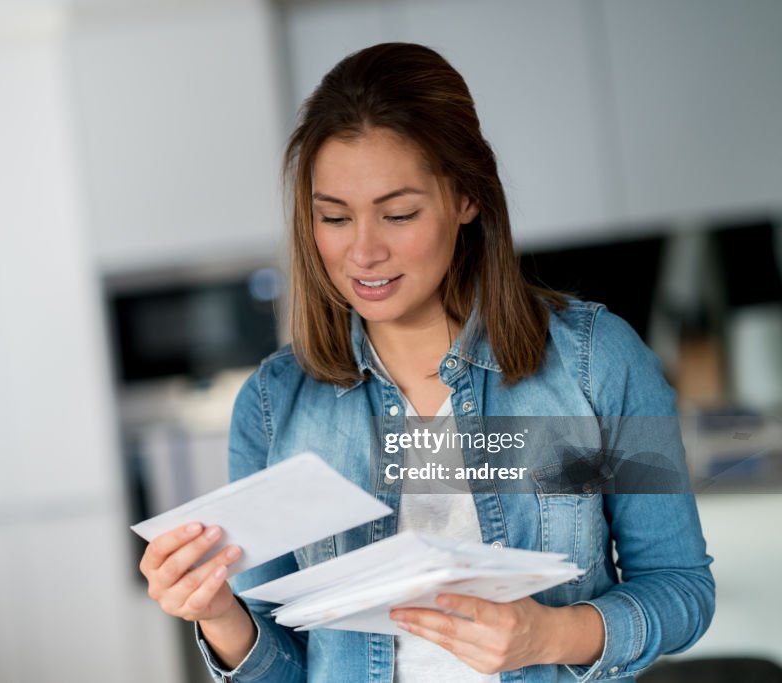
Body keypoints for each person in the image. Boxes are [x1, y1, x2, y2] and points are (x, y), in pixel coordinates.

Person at [138, 42, 714, 682]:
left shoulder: (593, 364)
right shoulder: (274, 406)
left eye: (398, 213)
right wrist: (219, 614)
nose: (363, 251)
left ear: (467, 199)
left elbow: (682, 589)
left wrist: (551, 634)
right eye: (333, 216)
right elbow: (284, 670)